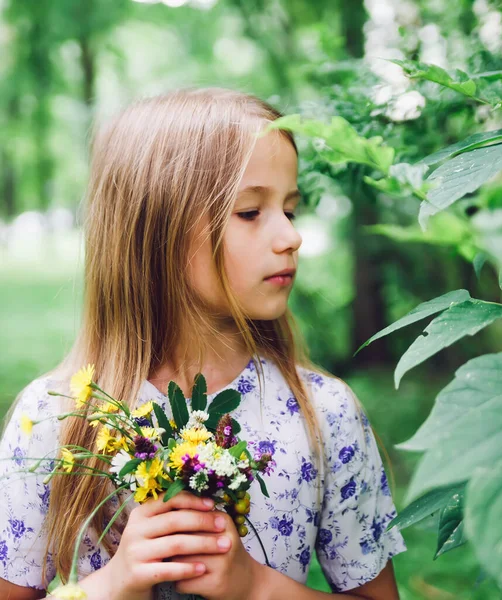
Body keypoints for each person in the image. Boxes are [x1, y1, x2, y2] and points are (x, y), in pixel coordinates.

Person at [0, 87, 406, 600]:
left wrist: (257, 587)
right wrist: (115, 584)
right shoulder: (59, 420)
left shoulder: (324, 414)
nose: (290, 236)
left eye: (290, 210)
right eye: (250, 212)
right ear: (157, 231)